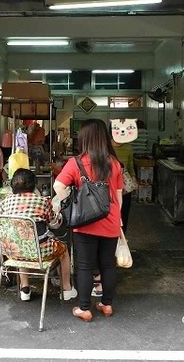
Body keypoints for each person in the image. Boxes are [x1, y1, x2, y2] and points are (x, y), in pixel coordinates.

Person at [54, 119, 123, 322]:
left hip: (84, 223)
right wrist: (118, 221)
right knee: (108, 265)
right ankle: (107, 304)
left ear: (84, 138)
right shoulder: (114, 162)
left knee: (84, 266)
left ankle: (85, 307)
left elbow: (58, 185)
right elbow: (118, 196)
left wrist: (71, 200)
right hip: (110, 221)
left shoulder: (76, 162)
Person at [0, 168, 77, 302]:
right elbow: (55, 223)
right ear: (34, 184)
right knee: (63, 249)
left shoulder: (5, 203)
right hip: (41, 253)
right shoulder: (42, 201)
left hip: (13, 253)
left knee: (21, 243)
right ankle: (67, 288)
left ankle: (25, 288)